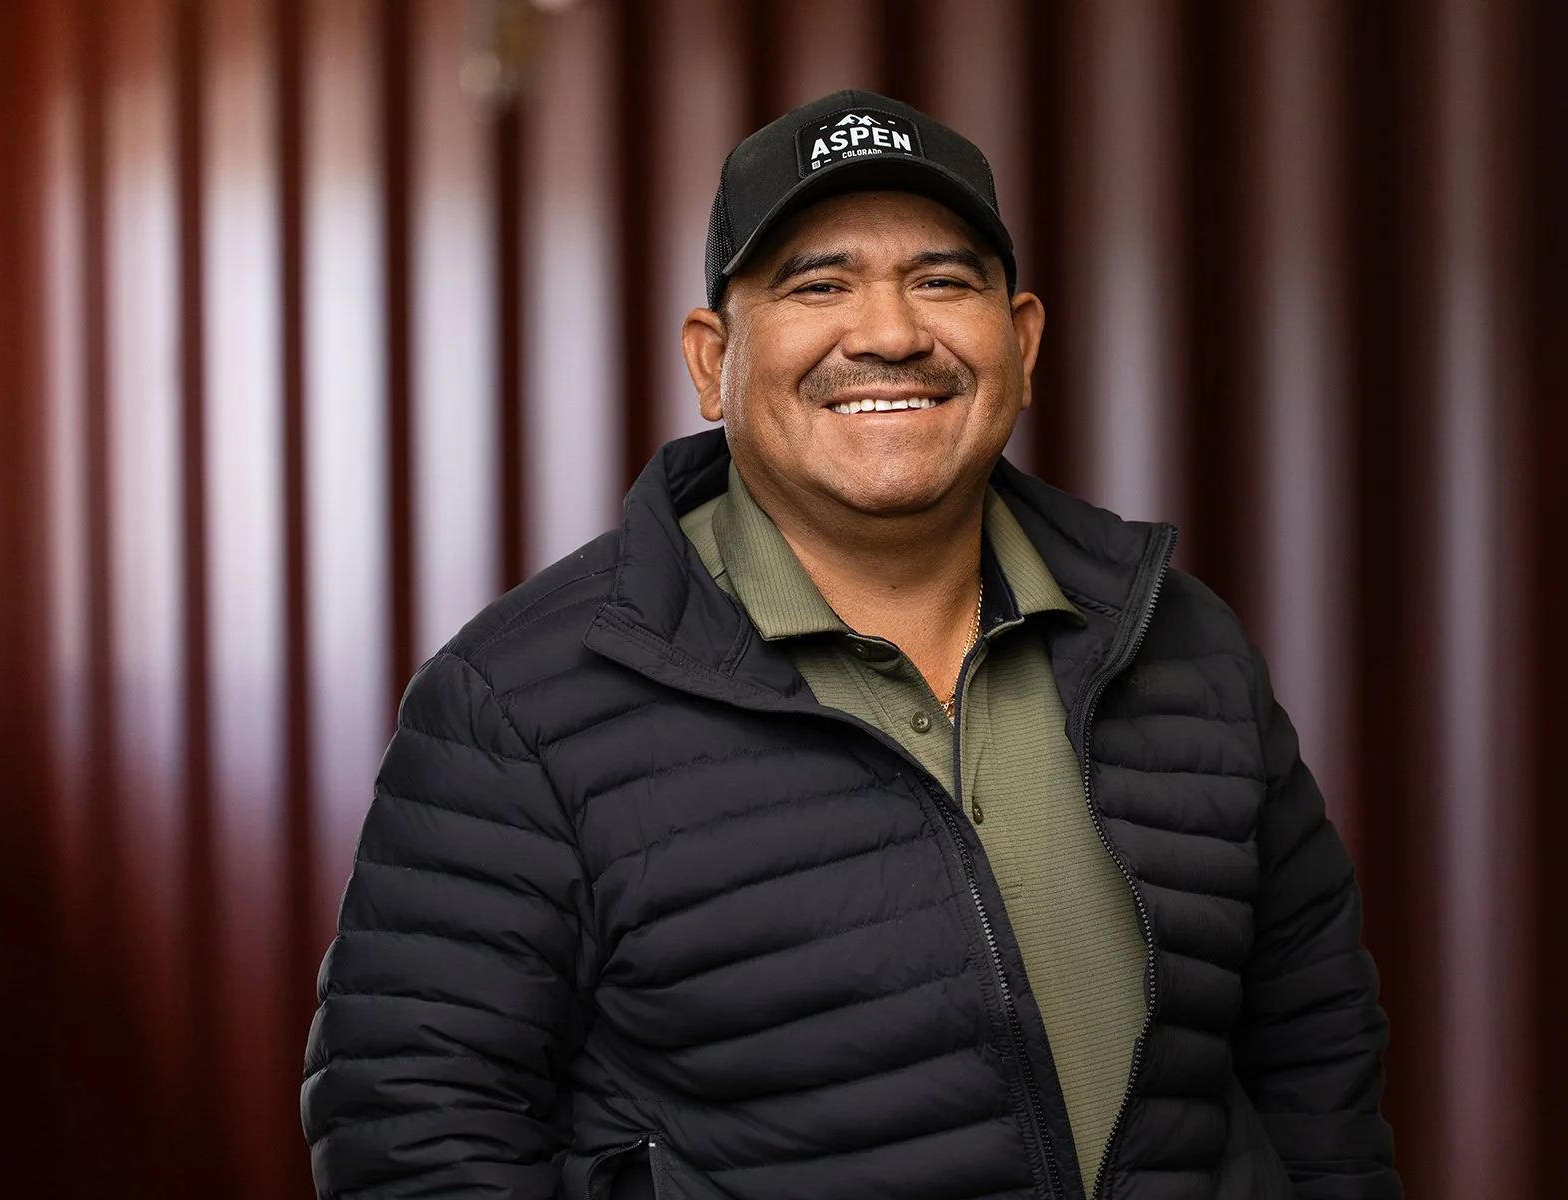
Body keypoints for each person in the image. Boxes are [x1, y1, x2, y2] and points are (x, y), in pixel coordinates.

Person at [302, 89, 1399, 1200]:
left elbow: (1315, 1059)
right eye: (818, 284)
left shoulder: (1176, 640)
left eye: (942, 280)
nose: (888, 334)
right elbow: (416, 1132)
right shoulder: (521, 703)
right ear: (709, 360)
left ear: (1020, 342)